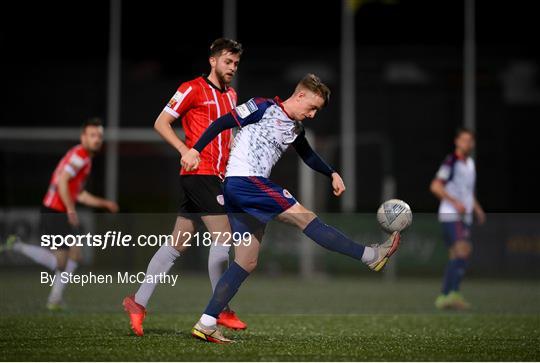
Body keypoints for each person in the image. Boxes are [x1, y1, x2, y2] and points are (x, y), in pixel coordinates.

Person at [181, 73, 401, 343]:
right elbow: (222, 121)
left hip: (241, 190)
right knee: (306, 219)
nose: (312, 115)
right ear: (299, 96)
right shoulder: (262, 106)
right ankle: (370, 255)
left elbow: (307, 154)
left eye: (317, 111)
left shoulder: (295, 128)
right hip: (246, 182)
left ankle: (206, 323)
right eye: (312, 107)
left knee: (246, 261)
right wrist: (196, 150)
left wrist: (331, 173)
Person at [122, 38, 247, 336]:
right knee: (223, 237)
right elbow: (161, 122)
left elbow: (228, 137)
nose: (231, 68)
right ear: (213, 60)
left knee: (177, 243)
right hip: (198, 172)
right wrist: (183, 148)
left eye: (236, 64)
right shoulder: (191, 88)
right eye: (227, 62)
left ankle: (137, 302)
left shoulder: (232, 96)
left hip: (216, 176)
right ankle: (220, 310)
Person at [1, 118, 119, 310]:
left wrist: (103, 203)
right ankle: (18, 246)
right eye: (92, 135)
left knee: (75, 255)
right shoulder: (79, 156)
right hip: (55, 210)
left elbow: (78, 193)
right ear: (83, 137)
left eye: (99, 136)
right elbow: (62, 182)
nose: (97, 139)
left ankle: (54, 299)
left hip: (60, 209)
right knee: (60, 261)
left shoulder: (84, 158)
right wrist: (71, 210)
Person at [430, 128, 486, 310]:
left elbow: (467, 192)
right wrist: (455, 203)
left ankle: (447, 295)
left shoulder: (469, 164)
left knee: (457, 255)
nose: (467, 144)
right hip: (450, 214)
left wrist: (477, 209)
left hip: (464, 216)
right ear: (456, 141)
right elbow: (436, 186)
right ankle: (450, 293)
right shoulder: (451, 161)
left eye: (470, 140)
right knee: (463, 250)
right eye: (463, 140)